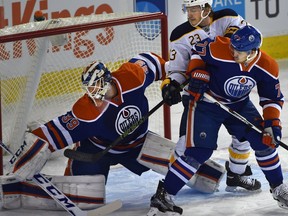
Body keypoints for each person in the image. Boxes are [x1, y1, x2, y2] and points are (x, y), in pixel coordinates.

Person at [148, 24, 288, 215]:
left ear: (252, 52)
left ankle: (278, 188)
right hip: (207, 103)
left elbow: (272, 98)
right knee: (199, 151)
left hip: (239, 104)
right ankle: (164, 196)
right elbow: (197, 52)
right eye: (232, 46)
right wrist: (198, 71)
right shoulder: (219, 48)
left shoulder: (267, 66)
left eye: (238, 50)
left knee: (266, 143)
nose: (232, 51)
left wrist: (272, 124)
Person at [0, 52, 167, 210]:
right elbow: (54, 132)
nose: (93, 94)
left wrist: (172, 79)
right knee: (85, 197)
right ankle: (13, 192)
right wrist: (30, 152)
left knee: (180, 162)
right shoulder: (86, 112)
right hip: (96, 151)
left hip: (138, 144)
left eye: (96, 86)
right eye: (90, 89)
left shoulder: (132, 77)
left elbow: (152, 62)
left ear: (107, 80)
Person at [164, 0, 261, 192]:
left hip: (229, 92)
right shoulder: (179, 34)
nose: (189, 14)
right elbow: (177, 68)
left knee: (244, 137)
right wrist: (172, 84)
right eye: (187, 9)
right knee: (186, 144)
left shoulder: (228, 18)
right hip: (200, 97)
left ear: (206, 9)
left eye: (194, 9)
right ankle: (169, 182)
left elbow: (234, 48)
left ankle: (236, 175)